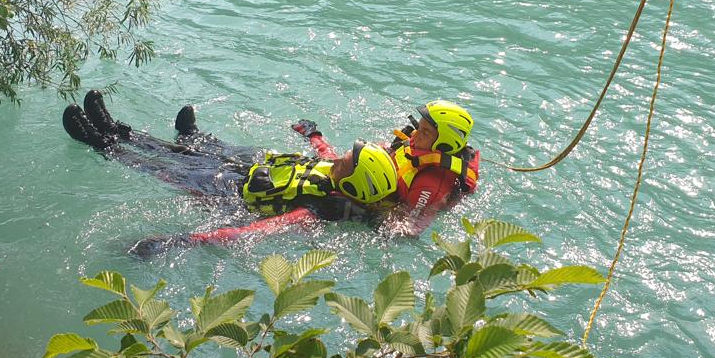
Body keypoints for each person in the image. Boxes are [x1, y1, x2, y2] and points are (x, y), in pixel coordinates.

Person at [62, 91, 397, 253]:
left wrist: (184, 240)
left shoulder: (313, 212)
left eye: (351, 159)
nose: (344, 156)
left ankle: (101, 143)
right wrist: (313, 136)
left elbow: (253, 231)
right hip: (247, 175)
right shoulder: (340, 175)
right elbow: (328, 155)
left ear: (353, 181)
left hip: (226, 195)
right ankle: (120, 130)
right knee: (182, 153)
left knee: (164, 168)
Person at [291, 100, 480, 238]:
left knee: (326, 202)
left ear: (444, 143)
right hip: (382, 179)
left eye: (425, 132)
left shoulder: (430, 186)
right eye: (419, 127)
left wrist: (363, 214)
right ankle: (316, 138)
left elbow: (409, 230)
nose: (414, 136)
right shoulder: (422, 144)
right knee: (347, 163)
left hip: (380, 200)